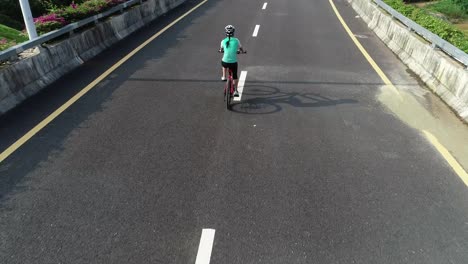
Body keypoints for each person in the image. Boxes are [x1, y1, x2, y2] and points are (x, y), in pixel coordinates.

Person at [219, 25, 245, 97]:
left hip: (225, 62)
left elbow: (221, 49)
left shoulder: (223, 41)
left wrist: (221, 50)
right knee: (235, 76)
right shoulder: (236, 40)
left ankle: (224, 76)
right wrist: (241, 51)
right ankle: (236, 90)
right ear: (233, 32)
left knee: (223, 62)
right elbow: (241, 49)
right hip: (233, 63)